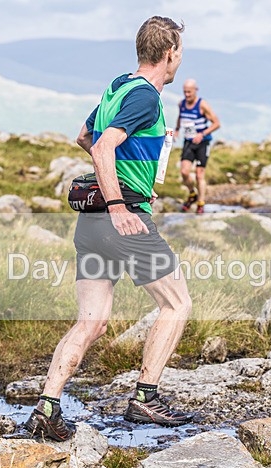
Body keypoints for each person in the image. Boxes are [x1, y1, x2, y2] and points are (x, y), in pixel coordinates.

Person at [23, 16, 194, 442]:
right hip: (122, 221)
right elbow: (101, 146)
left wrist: (126, 178)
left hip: (90, 224)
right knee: (177, 304)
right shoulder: (147, 97)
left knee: (92, 322)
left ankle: (47, 407)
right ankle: (146, 397)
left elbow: (84, 135)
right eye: (179, 53)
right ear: (169, 53)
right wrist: (120, 203)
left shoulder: (118, 86)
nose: (179, 61)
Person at [175, 79, 220, 214]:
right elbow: (180, 117)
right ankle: (192, 193)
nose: (187, 94)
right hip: (189, 142)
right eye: (185, 92)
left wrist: (202, 134)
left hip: (202, 143)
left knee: (200, 175)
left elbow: (216, 124)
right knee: (184, 172)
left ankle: (201, 203)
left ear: (196, 90)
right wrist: (177, 129)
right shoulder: (181, 104)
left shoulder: (202, 105)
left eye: (189, 92)